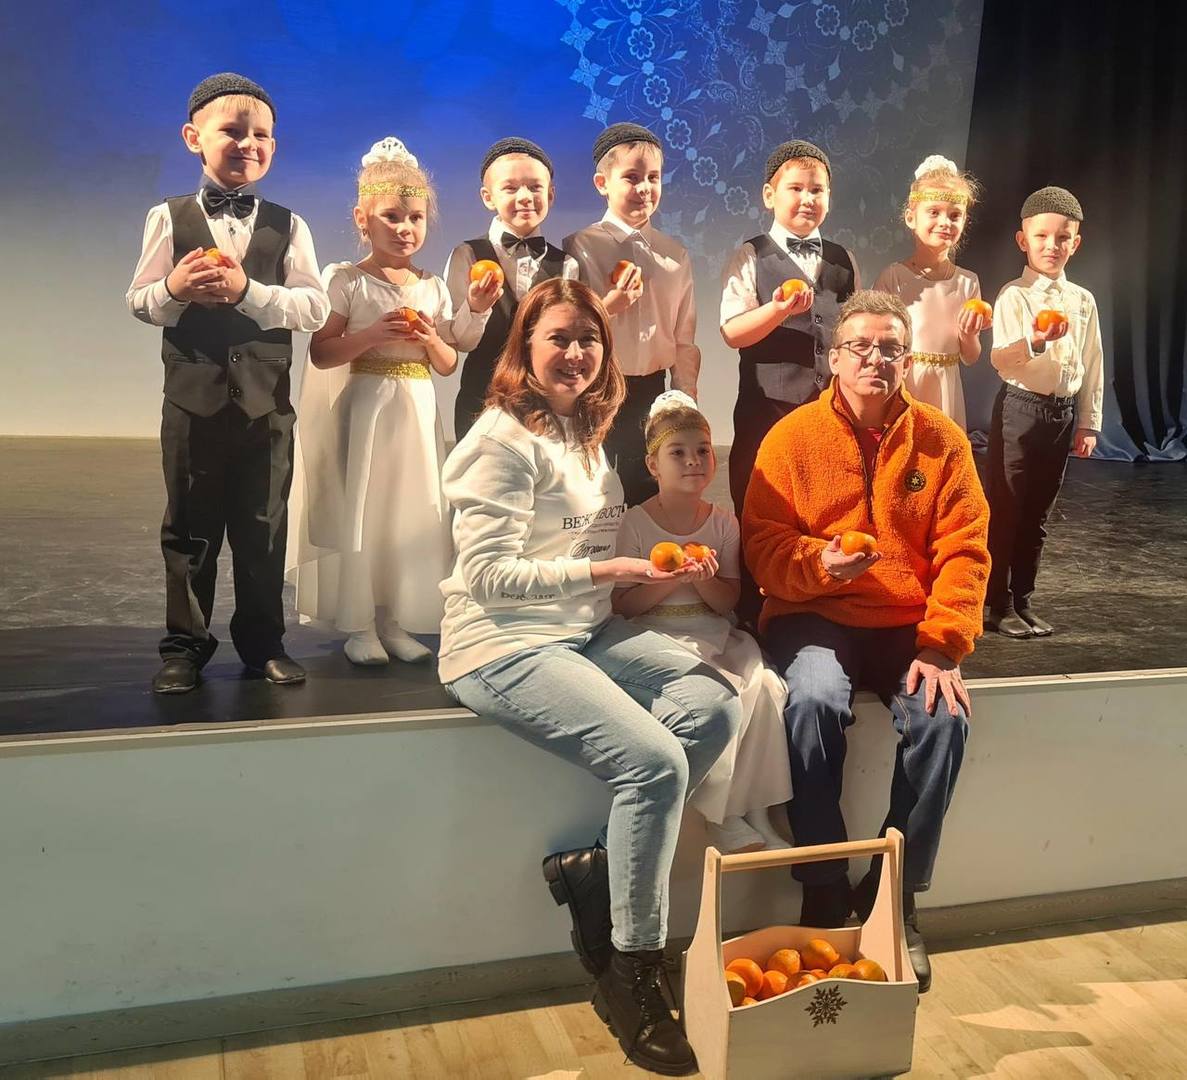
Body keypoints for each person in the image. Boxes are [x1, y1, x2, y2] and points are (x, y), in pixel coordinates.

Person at [439, 278, 739, 1075]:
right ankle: (630, 970)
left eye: (589, 339)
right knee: (654, 762)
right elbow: (486, 579)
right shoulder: (498, 443)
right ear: (525, 348)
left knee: (713, 704)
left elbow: (585, 547)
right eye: (559, 338)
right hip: (500, 644)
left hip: (582, 630)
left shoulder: (582, 430)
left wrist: (632, 575)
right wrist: (605, 570)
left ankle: (597, 872)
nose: (575, 353)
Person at [743, 290, 990, 993]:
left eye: (889, 348)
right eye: (860, 346)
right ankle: (823, 885)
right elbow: (763, 547)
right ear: (834, 358)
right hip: (812, 614)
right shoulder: (789, 439)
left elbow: (966, 550)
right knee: (812, 700)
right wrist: (818, 564)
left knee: (942, 719)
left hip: (907, 625)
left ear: (907, 361)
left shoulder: (941, 440)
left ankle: (892, 892)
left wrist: (942, 644)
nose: (874, 359)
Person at [126, 72, 330, 694]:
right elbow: (140, 300)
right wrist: (173, 288)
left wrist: (250, 292)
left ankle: (264, 645)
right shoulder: (169, 217)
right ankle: (184, 648)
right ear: (194, 138)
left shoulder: (289, 225)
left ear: (275, 145)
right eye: (233, 131)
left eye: (261, 135)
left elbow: (313, 309)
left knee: (263, 530)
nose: (249, 144)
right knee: (189, 532)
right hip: (192, 404)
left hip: (267, 409)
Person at [287, 138, 491, 666]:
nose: (405, 228)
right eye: (392, 217)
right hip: (366, 410)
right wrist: (373, 335)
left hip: (416, 414)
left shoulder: (432, 286)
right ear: (363, 220)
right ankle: (359, 623)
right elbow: (322, 353)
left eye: (415, 218)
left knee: (409, 515)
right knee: (366, 512)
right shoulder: (347, 280)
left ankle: (395, 619)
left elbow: (446, 364)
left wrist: (429, 338)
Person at [612, 390, 792, 855]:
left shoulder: (723, 523)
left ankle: (758, 809)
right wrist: (669, 579)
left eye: (702, 450)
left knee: (766, 686)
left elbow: (727, 599)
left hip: (713, 630)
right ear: (653, 465)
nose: (693, 461)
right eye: (678, 452)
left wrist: (706, 579)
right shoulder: (634, 523)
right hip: (657, 634)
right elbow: (625, 606)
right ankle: (723, 815)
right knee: (721, 691)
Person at [719, 139, 859, 625]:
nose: (807, 199)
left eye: (816, 190)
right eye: (795, 188)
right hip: (767, 409)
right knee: (757, 504)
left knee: (822, 504)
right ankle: (750, 610)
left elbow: (850, 329)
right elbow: (732, 332)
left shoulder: (843, 259)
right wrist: (777, 310)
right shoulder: (750, 255)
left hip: (827, 414)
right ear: (769, 195)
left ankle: (810, 597)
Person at [985, 186, 1104, 638]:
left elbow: (1093, 362)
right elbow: (1001, 360)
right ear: (1023, 240)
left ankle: (1023, 599)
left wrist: (1089, 422)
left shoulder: (1083, 300)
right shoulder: (1014, 295)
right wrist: (1036, 340)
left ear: (1076, 243)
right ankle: (996, 603)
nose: (1051, 246)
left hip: (1061, 414)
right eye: (1041, 236)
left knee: (1037, 516)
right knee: (1007, 510)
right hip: (1021, 411)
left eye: (1062, 237)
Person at [564, 122, 700, 506]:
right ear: (602, 183)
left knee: (648, 493)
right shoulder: (580, 247)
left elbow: (684, 337)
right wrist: (610, 305)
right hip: (596, 388)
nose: (644, 188)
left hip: (653, 391)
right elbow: (568, 325)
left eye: (654, 178)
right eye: (632, 177)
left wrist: (683, 398)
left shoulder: (675, 255)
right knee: (593, 493)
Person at [444, 137, 579, 442]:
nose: (525, 197)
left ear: (551, 194)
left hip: (544, 401)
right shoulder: (467, 255)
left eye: (535, 187)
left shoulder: (566, 265)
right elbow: (459, 341)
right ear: (488, 197)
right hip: (481, 397)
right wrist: (476, 309)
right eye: (510, 188)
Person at [873, 155, 989, 430]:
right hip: (905, 384)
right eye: (934, 212)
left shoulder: (967, 282)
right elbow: (876, 339)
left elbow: (970, 357)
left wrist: (968, 334)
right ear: (911, 218)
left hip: (946, 389)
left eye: (955, 215)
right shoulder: (894, 277)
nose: (945, 222)